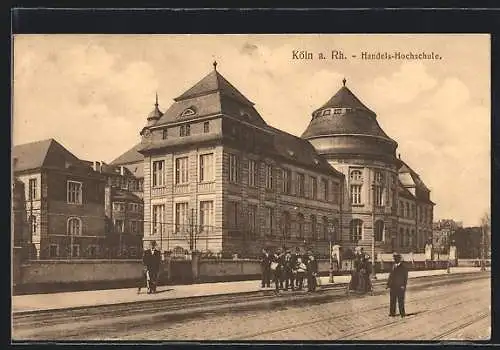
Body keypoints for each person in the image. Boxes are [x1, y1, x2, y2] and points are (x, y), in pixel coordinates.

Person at [386, 253, 408, 318]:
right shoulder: (393, 266)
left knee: (400, 301)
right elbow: (390, 276)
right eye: (394, 258)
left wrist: (403, 285)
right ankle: (392, 313)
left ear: (399, 259)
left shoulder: (403, 267)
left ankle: (402, 313)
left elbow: (405, 277)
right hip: (393, 286)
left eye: (396, 258)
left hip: (400, 287)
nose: (394, 259)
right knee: (392, 300)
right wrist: (388, 284)